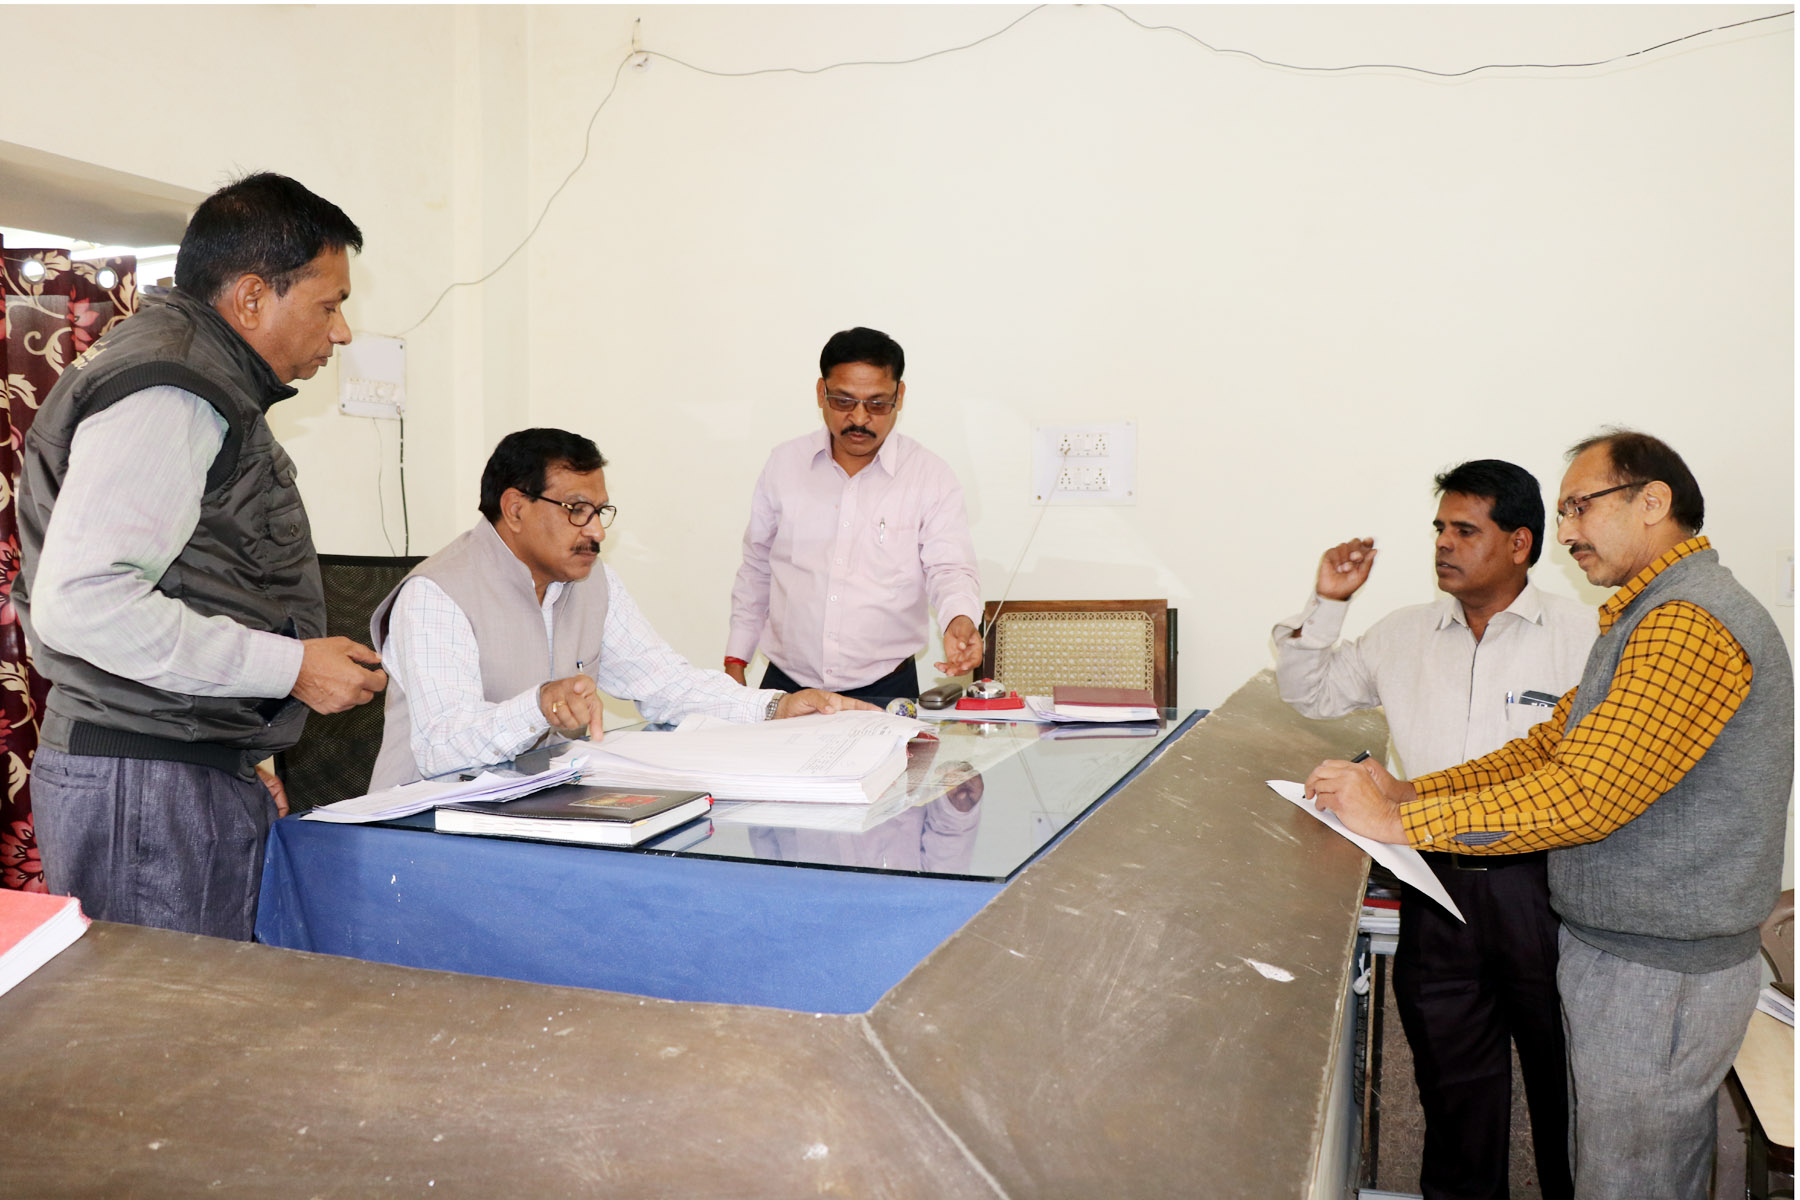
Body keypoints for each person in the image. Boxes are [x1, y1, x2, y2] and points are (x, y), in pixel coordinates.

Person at [1308, 431, 1793, 1200]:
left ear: (1652, 502)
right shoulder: (1644, 617)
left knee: (1629, 1180)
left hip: (1658, 973)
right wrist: (1412, 795)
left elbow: (1585, 794)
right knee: (1615, 1166)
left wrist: (1401, 825)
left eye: (1579, 507)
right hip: (1626, 957)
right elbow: (1551, 747)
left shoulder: (1688, 622)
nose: (1564, 533)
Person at [15, 172, 387, 941]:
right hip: (149, 786)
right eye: (329, 305)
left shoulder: (198, 374)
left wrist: (241, 748)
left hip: (173, 773)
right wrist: (291, 668)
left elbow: (202, 577)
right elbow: (84, 602)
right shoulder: (175, 387)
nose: (343, 332)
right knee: (160, 1019)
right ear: (252, 297)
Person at [1274, 459, 1592, 1200]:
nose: (1444, 544)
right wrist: (1328, 603)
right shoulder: (1402, 634)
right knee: (1453, 1104)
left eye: (1465, 530)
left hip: (1548, 893)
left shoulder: (1584, 636)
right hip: (1432, 888)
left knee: (1570, 1102)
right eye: (1440, 528)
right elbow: (1310, 692)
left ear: (1519, 542)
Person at [369, 428, 873, 790]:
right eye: (576, 511)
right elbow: (440, 747)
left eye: (599, 511)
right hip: (420, 829)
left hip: (530, 811)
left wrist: (774, 707)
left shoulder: (590, 580)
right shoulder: (437, 594)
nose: (596, 531)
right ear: (516, 509)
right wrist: (539, 705)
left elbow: (664, 682)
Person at [724, 327, 983, 705]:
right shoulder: (784, 465)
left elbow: (949, 568)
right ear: (821, 393)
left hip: (887, 688)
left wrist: (959, 618)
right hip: (786, 682)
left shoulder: (929, 476)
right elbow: (757, 566)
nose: (859, 418)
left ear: (899, 397)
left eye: (877, 404)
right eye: (844, 401)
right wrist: (736, 659)